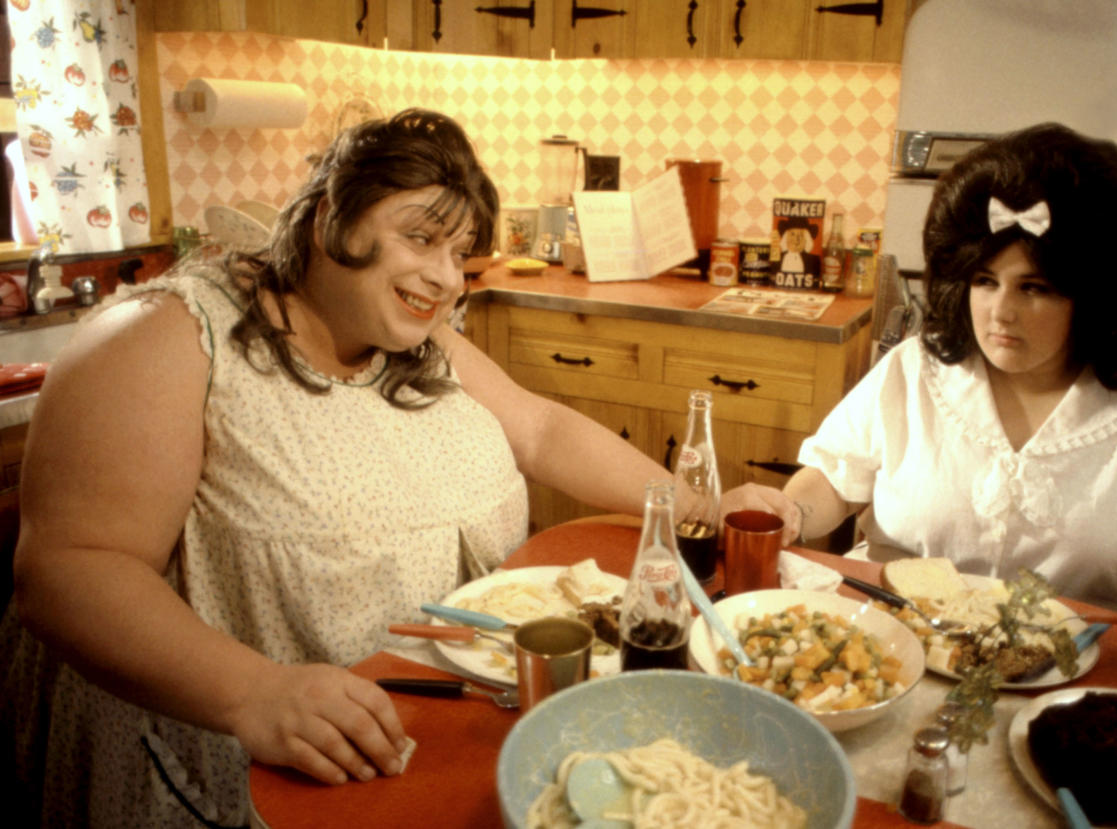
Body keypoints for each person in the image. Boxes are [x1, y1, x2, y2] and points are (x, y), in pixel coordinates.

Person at [1, 108, 669, 827]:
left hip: (417, 735)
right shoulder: (170, 339)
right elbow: (69, 569)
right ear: (329, 219)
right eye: (421, 237)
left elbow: (540, 430)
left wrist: (695, 505)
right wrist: (253, 693)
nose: (445, 278)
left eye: (461, 252)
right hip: (228, 768)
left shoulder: (413, 337)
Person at [724, 123, 1117, 685]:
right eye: (985, 280)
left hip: (1071, 674)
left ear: (1096, 295)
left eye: (1035, 287)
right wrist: (791, 513)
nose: (1001, 311)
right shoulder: (914, 370)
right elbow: (831, 477)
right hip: (889, 659)